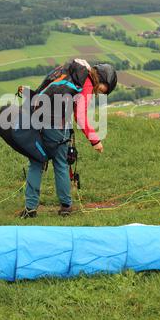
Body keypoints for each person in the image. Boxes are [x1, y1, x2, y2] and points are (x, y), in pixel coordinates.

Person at [20, 60, 117, 218]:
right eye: (102, 90)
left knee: (36, 162)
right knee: (61, 164)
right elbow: (80, 116)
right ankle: (66, 207)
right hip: (56, 127)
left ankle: (30, 209)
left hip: (36, 119)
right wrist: (95, 140)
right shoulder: (86, 83)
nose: (99, 93)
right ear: (102, 79)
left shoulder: (71, 72)